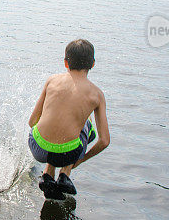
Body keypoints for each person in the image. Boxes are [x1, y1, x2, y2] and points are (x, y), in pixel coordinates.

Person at [28, 39, 110, 200]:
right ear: (93, 64)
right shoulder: (97, 94)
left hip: (37, 149)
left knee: (55, 125)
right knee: (87, 125)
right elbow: (104, 141)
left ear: (66, 62)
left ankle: (47, 174)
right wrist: (78, 161)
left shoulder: (51, 80)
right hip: (68, 155)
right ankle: (65, 173)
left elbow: (32, 121)